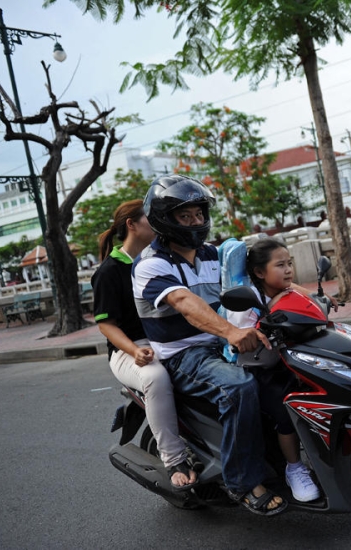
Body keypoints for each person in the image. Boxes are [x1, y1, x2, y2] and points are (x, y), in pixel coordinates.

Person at [132, 175, 287, 517]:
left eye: (198, 214)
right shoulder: (151, 264)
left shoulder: (214, 254)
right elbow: (185, 302)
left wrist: (310, 300)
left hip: (221, 344)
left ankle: (290, 462)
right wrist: (229, 332)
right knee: (240, 386)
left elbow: (264, 275)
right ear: (163, 219)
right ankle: (242, 482)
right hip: (184, 355)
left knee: (290, 372)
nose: (195, 222)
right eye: (184, 216)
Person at [91, 199, 200, 491]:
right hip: (133, 349)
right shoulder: (109, 272)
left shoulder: (165, 257)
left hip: (170, 338)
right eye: (152, 220)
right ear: (132, 225)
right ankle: (175, 458)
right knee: (155, 377)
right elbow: (106, 325)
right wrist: (134, 350)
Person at [225, 238, 321, 503]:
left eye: (289, 263)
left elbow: (300, 296)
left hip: (290, 360)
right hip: (259, 368)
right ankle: (294, 467)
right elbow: (244, 335)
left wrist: (320, 300)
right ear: (259, 272)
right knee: (286, 408)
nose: (288, 269)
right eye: (280, 265)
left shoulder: (282, 288)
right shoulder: (246, 299)